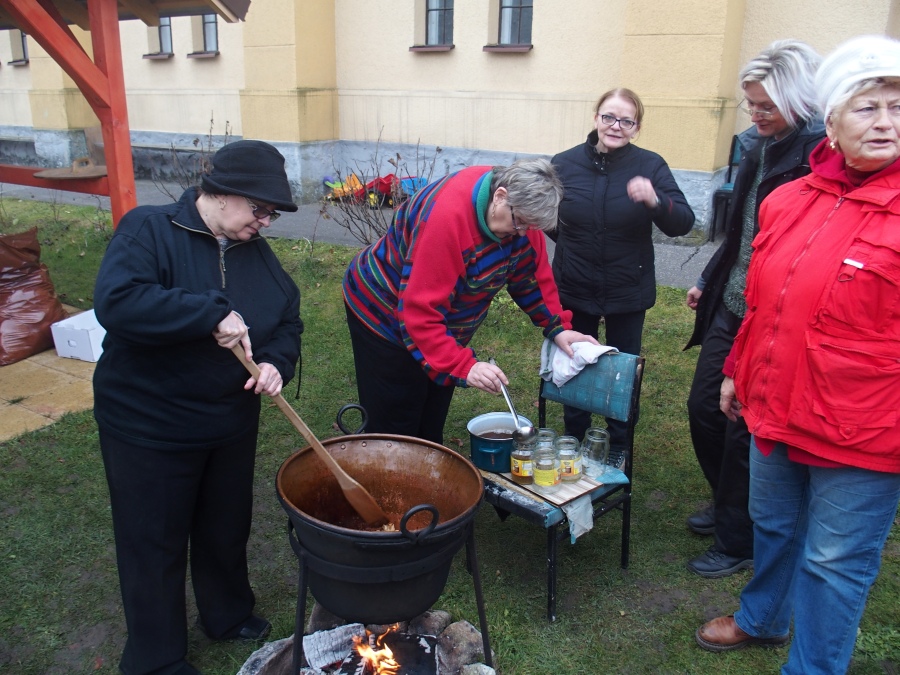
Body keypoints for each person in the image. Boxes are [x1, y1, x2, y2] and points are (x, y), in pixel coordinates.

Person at [695, 36, 900, 675]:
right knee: (773, 525)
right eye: (868, 107)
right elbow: (762, 305)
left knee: (833, 561)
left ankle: (812, 667)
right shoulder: (790, 199)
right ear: (832, 121)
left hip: (861, 430)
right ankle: (762, 617)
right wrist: (734, 371)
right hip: (772, 404)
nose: (887, 121)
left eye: (899, 106)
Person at [93, 140, 303, 675]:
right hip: (149, 423)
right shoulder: (149, 228)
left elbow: (286, 318)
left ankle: (227, 614)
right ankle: (155, 657)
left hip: (228, 421)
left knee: (224, 525)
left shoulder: (254, 249)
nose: (266, 223)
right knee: (153, 541)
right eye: (261, 210)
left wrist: (277, 361)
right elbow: (118, 302)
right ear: (228, 194)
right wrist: (208, 312)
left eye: (271, 215)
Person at [683, 40, 824, 578]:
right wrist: (707, 277)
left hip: (774, 310)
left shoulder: (814, 157)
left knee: (743, 424)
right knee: (704, 408)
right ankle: (729, 506)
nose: (755, 115)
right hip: (733, 299)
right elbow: (743, 231)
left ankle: (738, 537)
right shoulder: (759, 145)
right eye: (751, 104)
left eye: (766, 105)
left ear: (798, 98)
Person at [342, 158, 597, 444]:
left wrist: (558, 327)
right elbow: (420, 314)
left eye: (531, 226)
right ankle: (387, 470)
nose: (523, 232)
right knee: (397, 415)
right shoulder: (447, 219)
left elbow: (531, 276)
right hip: (382, 308)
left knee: (432, 405)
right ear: (500, 197)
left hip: (442, 316)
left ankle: (425, 459)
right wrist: (465, 366)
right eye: (520, 222)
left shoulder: (518, 213)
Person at [550, 88, 695, 457]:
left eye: (625, 121)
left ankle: (619, 443)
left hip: (627, 287)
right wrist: (571, 246)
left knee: (622, 369)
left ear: (636, 127)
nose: (616, 126)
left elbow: (682, 223)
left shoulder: (650, 166)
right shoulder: (564, 164)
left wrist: (656, 201)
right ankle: (574, 437)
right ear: (596, 118)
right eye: (609, 117)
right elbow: (548, 218)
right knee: (574, 360)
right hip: (574, 283)